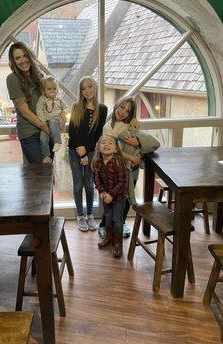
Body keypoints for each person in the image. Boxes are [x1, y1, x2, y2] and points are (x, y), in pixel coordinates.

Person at [98, 97, 160, 239]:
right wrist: (132, 158)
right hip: (114, 171)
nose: (123, 112)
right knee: (111, 200)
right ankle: (104, 225)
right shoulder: (108, 127)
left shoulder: (131, 127)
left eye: (128, 111)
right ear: (116, 106)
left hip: (132, 171)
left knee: (125, 198)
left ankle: (122, 222)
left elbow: (147, 142)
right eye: (122, 107)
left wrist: (137, 142)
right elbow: (113, 150)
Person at [6, 42, 66, 163]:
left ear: (30, 56)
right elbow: (25, 112)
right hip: (30, 133)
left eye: (25, 56)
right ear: (13, 61)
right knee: (40, 172)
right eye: (18, 58)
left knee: (49, 171)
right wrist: (47, 129)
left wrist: (61, 117)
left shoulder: (39, 76)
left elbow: (51, 100)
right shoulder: (12, 79)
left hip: (46, 128)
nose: (22, 60)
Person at [68, 76, 107, 232]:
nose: (87, 90)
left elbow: (98, 134)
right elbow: (73, 131)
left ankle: (90, 214)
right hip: (74, 150)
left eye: (90, 86)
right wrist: (81, 153)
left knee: (89, 183)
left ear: (95, 87)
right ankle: (80, 215)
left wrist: (87, 151)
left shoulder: (102, 109)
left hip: (91, 151)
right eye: (84, 88)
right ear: (81, 91)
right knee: (78, 184)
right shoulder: (76, 107)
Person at [92, 135, 128, 258]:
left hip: (118, 198)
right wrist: (102, 193)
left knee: (117, 220)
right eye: (103, 143)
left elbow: (122, 182)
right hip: (105, 197)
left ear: (116, 149)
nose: (106, 145)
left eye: (110, 143)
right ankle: (109, 237)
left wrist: (111, 195)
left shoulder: (119, 162)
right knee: (108, 218)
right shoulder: (98, 162)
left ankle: (118, 243)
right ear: (99, 147)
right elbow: (97, 180)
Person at [36, 76, 69, 163]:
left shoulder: (58, 99)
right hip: (46, 123)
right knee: (43, 138)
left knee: (53, 121)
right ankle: (46, 155)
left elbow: (66, 108)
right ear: (43, 91)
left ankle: (58, 141)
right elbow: (39, 110)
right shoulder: (42, 99)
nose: (52, 91)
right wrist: (43, 121)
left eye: (54, 88)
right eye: (49, 89)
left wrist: (64, 113)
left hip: (56, 120)